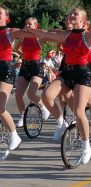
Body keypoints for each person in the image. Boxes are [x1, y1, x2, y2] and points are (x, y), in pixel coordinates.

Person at [24, 7, 91, 164]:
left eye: (75, 14)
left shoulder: (88, 35)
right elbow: (44, 33)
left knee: (78, 110)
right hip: (67, 73)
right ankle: (61, 122)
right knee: (46, 95)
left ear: (83, 21)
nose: (71, 16)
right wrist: (27, 31)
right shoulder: (65, 35)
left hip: (84, 73)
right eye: (70, 13)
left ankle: (86, 146)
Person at [0, 5, 35, 151]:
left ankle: (14, 136)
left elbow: (28, 32)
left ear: (6, 18)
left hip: (5, 70)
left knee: (0, 108)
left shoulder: (10, 32)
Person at [14, 17, 50, 128]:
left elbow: (46, 34)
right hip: (25, 66)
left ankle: (43, 107)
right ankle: (22, 116)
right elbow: (15, 47)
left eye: (30, 24)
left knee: (31, 94)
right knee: (18, 95)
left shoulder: (39, 37)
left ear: (36, 26)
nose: (27, 26)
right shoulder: (23, 37)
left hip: (36, 67)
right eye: (26, 24)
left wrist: (35, 32)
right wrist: (23, 55)